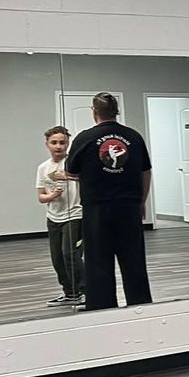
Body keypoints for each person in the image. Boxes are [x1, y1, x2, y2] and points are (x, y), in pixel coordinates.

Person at [65, 92, 153, 312]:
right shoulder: (133, 137)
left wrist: (93, 175)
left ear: (94, 112)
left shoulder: (84, 138)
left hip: (97, 209)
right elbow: (145, 171)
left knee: (98, 262)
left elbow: (71, 171)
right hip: (128, 207)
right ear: (116, 112)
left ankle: (101, 307)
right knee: (134, 261)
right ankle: (141, 305)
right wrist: (141, 201)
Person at [36, 125, 84, 306]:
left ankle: (86, 292)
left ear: (67, 143)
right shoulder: (43, 168)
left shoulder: (74, 162)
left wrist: (68, 177)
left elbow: (89, 179)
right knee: (57, 259)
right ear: (47, 144)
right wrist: (52, 196)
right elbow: (41, 197)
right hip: (53, 217)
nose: (58, 146)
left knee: (70, 255)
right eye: (54, 142)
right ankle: (70, 293)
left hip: (75, 215)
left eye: (62, 143)